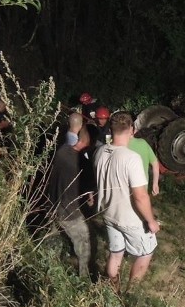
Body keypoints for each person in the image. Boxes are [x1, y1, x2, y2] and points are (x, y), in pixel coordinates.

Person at [94, 111, 160, 291]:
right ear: (131, 129)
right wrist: (151, 221)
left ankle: (114, 291)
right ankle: (131, 295)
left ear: (110, 128)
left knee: (115, 254)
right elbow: (140, 196)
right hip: (130, 219)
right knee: (146, 252)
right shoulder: (131, 158)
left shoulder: (100, 152)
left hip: (109, 214)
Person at [46, 126, 94, 279]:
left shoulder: (62, 151)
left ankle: (48, 269)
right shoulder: (79, 163)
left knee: (52, 237)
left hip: (52, 204)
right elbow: (87, 186)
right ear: (88, 141)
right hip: (69, 210)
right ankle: (84, 276)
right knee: (83, 239)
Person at [128, 130, 160, 196]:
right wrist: (155, 184)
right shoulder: (143, 143)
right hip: (142, 190)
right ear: (135, 131)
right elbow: (155, 163)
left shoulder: (117, 146)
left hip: (122, 191)